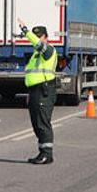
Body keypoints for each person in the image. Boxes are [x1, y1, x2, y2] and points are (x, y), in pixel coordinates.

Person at [18, 19, 57, 165]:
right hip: (35, 90)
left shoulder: (49, 50)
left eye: (40, 36)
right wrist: (30, 93)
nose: (38, 38)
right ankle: (42, 152)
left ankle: (47, 154)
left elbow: (39, 45)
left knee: (42, 122)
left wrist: (26, 31)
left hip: (44, 90)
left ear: (46, 37)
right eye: (36, 36)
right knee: (36, 123)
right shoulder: (36, 55)